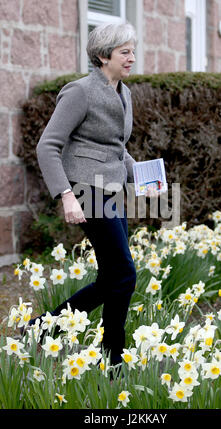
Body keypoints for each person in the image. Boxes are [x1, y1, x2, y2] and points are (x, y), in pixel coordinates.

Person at [27, 22, 145, 367]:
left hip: (112, 189)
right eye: (125, 52)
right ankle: (113, 358)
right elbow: (47, 146)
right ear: (103, 55)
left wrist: (146, 177)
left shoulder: (123, 92)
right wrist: (65, 195)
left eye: (132, 51)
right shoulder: (79, 91)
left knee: (112, 277)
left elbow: (116, 150)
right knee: (124, 274)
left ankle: (43, 329)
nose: (132, 58)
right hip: (85, 190)